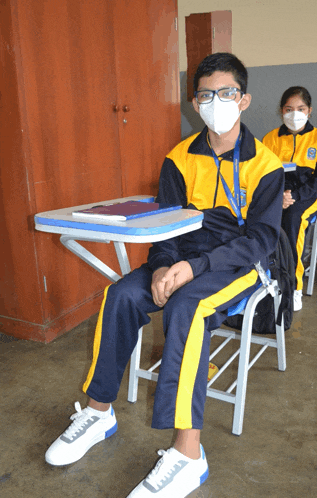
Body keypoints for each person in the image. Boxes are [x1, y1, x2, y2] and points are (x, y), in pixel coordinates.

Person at [45, 53, 284, 498]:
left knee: (187, 307)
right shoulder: (178, 157)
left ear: (245, 99)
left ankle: (189, 454)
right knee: (121, 294)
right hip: (181, 254)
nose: (217, 102)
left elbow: (261, 239)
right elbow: (166, 223)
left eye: (227, 93)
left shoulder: (266, 166)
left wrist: (194, 268)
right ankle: (98, 413)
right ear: (196, 103)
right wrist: (160, 267)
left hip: (237, 264)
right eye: (207, 95)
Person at [262, 87, 317, 311]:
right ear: (281, 111)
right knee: (259, 217)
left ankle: (293, 287)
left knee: (293, 220)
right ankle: (268, 281)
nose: (295, 114)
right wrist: (278, 196)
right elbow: (266, 176)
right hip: (280, 194)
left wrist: (295, 196)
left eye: (300, 109)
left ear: (309, 111)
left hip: (311, 195)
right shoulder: (270, 139)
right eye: (289, 109)